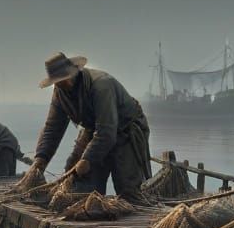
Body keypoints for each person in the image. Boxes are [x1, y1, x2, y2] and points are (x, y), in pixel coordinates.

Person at [32, 52, 152, 201]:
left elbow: (107, 131)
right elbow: (52, 128)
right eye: (59, 81)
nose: (64, 83)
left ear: (74, 73)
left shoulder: (101, 86)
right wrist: (41, 159)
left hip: (125, 130)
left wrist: (87, 159)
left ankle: (132, 206)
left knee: (128, 188)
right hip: (95, 130)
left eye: (65, 78)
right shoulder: (60, 92)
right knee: (80, 184)